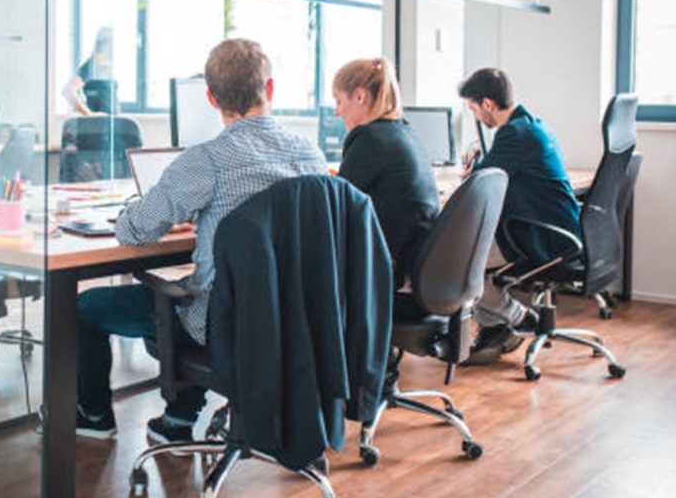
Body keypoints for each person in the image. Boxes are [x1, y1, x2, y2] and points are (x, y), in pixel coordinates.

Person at [76, 38, 328, 442]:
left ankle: (92, 418)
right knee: (208, 286)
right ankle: (177, 419)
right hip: (295, 319)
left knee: (87, 308)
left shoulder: (207, 160)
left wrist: (156, 212)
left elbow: (133, 231)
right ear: (271, 89)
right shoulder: (310, 155)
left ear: (211, 98)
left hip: (224, 324)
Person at [458, 67, 581, 364]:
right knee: (475, 256)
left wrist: (473, 169)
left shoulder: (513, 134)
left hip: (541, 237)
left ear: (488, 104)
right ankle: (496, 332)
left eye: (474, 108)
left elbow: (480, 182)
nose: (476, 117)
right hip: (558, 231)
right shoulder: (532, 126)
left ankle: (520, 317)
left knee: (459, 266)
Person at [332, 57, 440, 292]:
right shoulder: (404, 131)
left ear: (360, 97)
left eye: (339, 101)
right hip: (419, 274)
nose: (336, 111)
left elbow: (335, 207)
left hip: (390, 280)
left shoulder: (369, 138)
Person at [62, 27, 117, 116]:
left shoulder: (107, 68)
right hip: (98, 126)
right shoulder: (92, 66)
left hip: (112, 124)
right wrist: (89, 114)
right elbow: (68, 90)